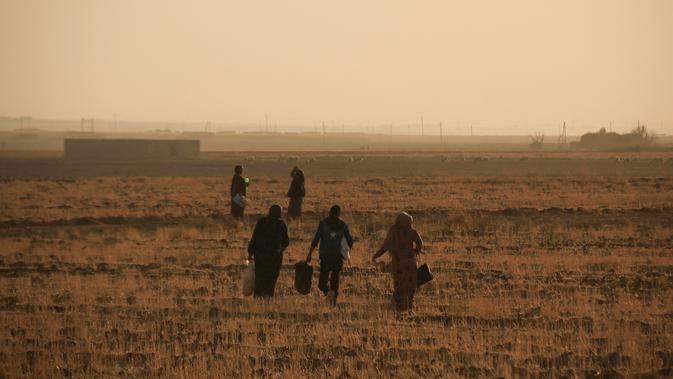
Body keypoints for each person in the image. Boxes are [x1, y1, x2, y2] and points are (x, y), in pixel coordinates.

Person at [372, 212, 423, 312]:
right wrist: (415, 251)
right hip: (410, 264)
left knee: (399, 286)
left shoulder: (392, 231)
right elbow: (420, 243)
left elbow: (385, 246)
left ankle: (399, 308)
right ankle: (409, 307)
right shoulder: (412, 232)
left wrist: (376, 256)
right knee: (411, 286)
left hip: (398, 265)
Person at [305, 205, 354, 306]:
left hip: (325, 256)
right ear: (339, 214)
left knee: (322, 283)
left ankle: (328, 293)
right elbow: (350, 241)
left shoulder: (323, 224)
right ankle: (333, 302)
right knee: (335, 281)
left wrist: (309, 254)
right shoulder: (343, 225)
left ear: (329, 212)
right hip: (337, 257)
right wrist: (346, 252)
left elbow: (316, 240)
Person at [247, 205, 289, 297]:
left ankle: (258, 298)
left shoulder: (262, 222)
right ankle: (268, 299)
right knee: (271, 280)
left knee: (260, 278)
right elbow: (286, 242)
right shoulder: (281, 224)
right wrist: (280, 249)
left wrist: (250, 252)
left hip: (260, 256)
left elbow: (255, 238)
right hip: (275, 257)